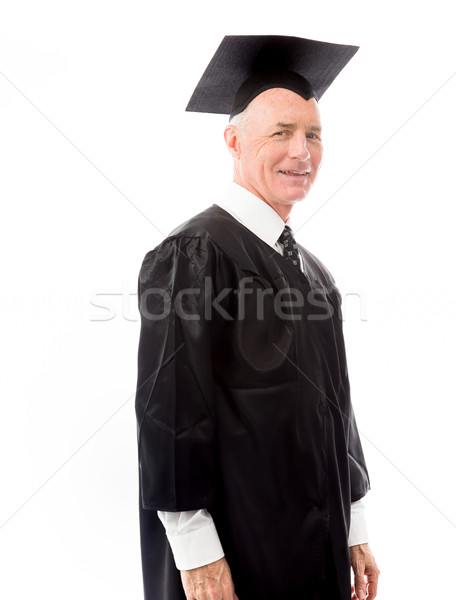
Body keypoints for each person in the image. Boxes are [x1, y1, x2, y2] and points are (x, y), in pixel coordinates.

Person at [135, 35, 380, 600]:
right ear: (234, 141)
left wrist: (354, 524)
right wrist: (196, 554)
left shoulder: (315, 272)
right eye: (281, 132)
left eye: (313, 134)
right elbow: (169, 408)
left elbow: (335, 405)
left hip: (316, 538)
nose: (303, 152)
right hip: (236, 546)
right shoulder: (195, 252)